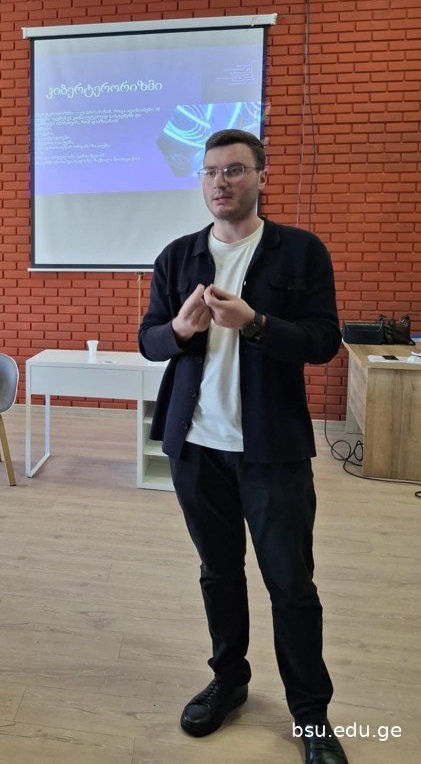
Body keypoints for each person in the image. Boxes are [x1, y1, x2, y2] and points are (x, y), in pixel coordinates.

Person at [138, 129, 348, 764]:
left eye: (233, 170)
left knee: (291, 583)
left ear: (261, 175)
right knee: (219, 572)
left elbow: (323, 341)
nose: (219, 182)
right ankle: (229, 681)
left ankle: (311, 716)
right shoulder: (177, 256)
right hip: (196, 448)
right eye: (210, 172)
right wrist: (179, 329)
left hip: (272, 450)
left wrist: (255, 323)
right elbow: (149, 340)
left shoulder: (299, 251)